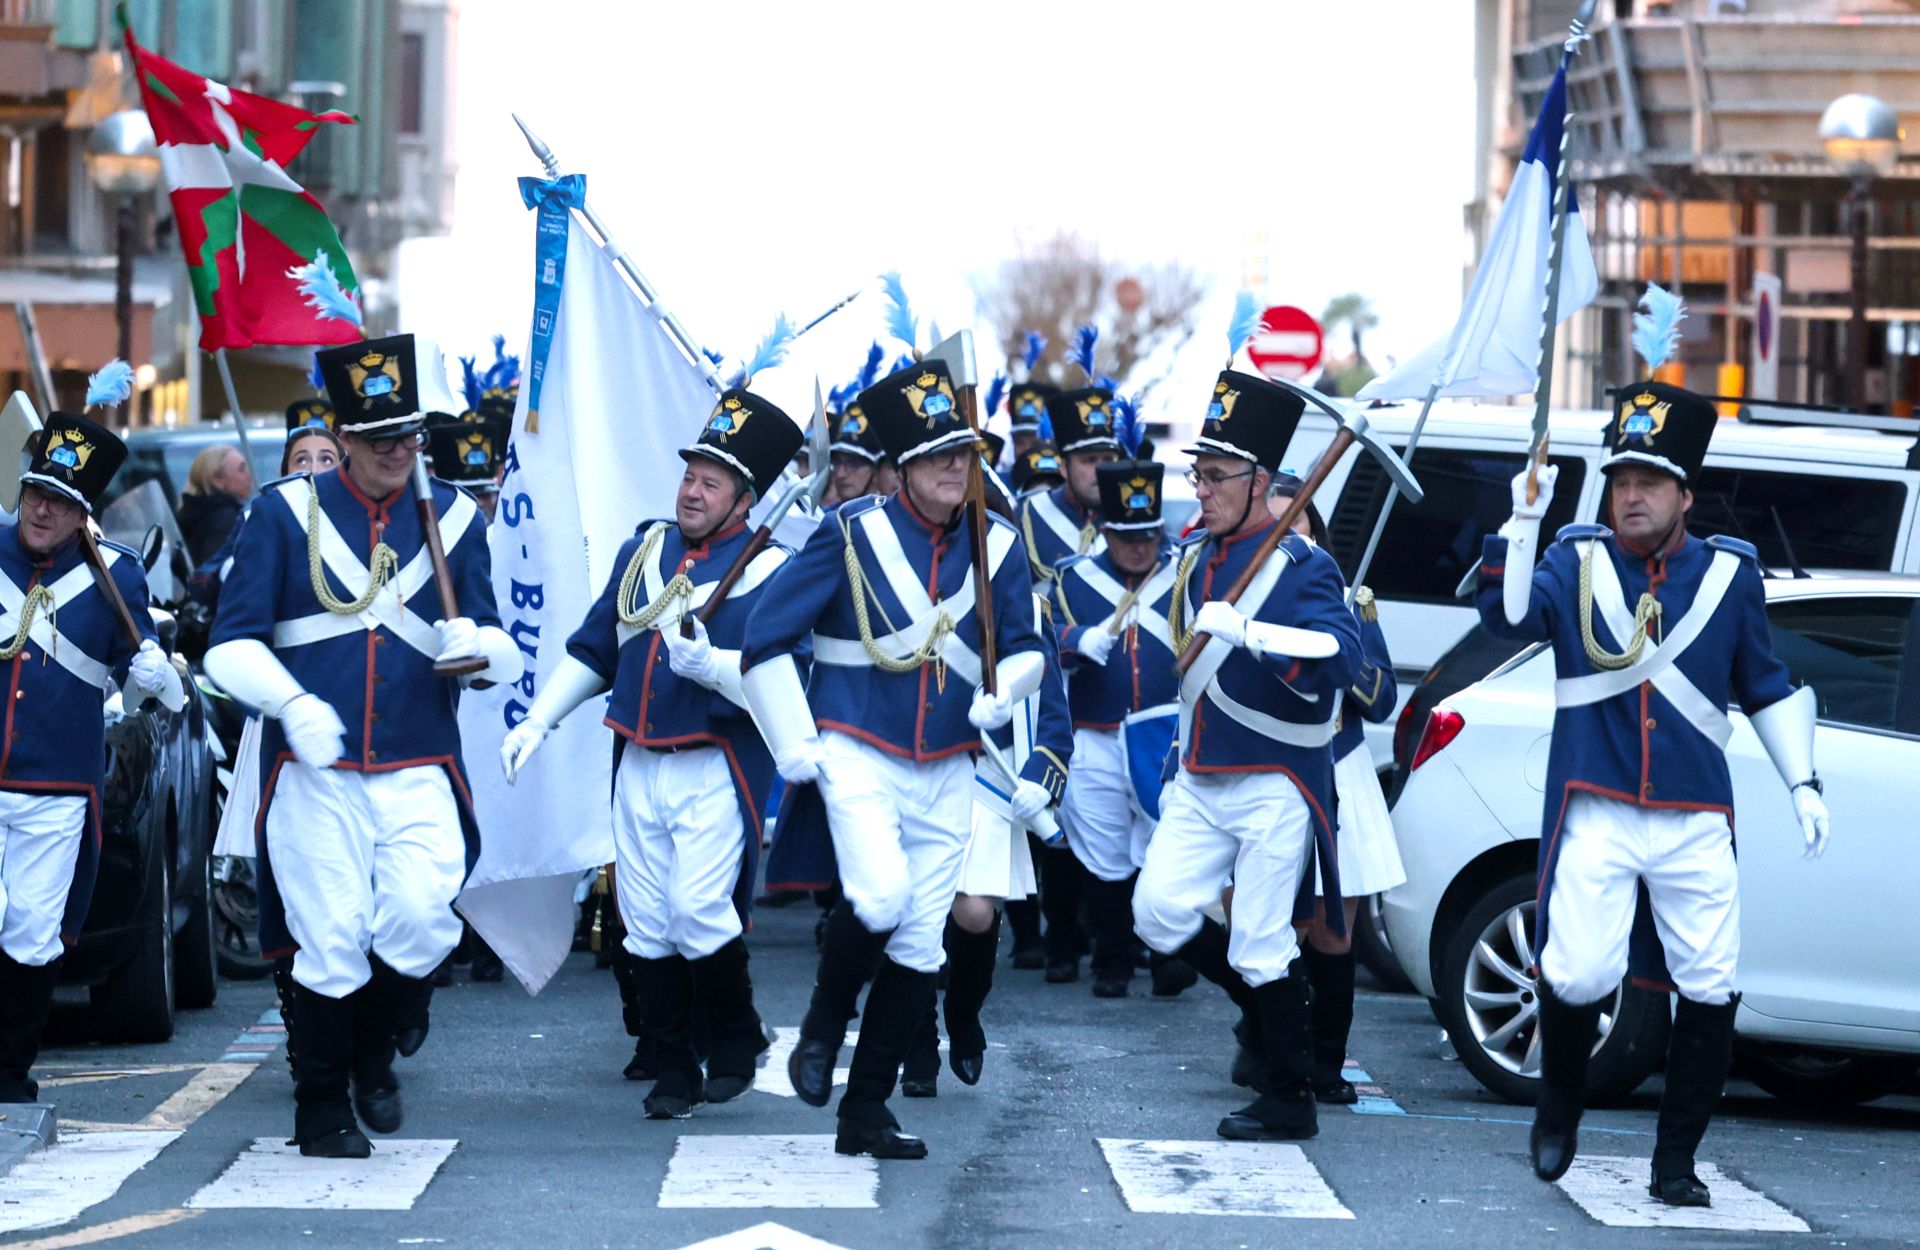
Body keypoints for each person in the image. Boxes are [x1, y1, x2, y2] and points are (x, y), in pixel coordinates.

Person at [1479, 369, 1829, 1206]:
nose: (1631, 496)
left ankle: (1676, 1161)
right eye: (1621, 481)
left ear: (1684, 494)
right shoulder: (1574, 562)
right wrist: (1524, 521)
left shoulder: (1729, 577)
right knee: (1574, 971)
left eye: (1649, 483)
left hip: (1693, 813)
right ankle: (1558, 1105)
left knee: (1710, 984)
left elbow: (1767, 685)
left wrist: (1803, 781)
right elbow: (1509, 615)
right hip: (1597, 802)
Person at [206, 333, 522, 1159]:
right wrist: (291, 702)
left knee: (421, 920)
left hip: (418, 758)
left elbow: (497, 649)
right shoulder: (283, 514)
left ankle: (375, 1052)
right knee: (331, 935)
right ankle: (322, 1107)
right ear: (343, 437)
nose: (398, 453)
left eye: (408, 437)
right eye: (380, 440)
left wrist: (482, 645)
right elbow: (228, 643)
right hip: (316, 771)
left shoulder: (452, 516)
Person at [742, 356, 1044, 1160]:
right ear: (904, 465)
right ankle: (817, 1032)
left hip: (948, 762)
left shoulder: (999, 546)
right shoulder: (850, 532)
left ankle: (865, 1111)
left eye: (967, 453)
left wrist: (1006, 692)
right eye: (941, 453)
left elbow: (1028, 646)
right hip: (858, 749)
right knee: (877, 898)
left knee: (919, 943)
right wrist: (793, 739)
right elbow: (765, 638)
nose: (957, 466)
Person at [500, 381, 802, 1120]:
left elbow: (784, 687)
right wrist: (540, 719)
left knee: (700, 910)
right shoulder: (647, 551)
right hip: (637, 757)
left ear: (745, 498)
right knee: (643, 923)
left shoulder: (770, 570)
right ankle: (672, 1068)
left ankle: (734, 1037)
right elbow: (598, 645)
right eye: (690, 476)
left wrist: (719, 669)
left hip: (712, 764)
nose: (693, 492)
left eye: (711, 482)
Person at [1131, 364, 1360, 1144]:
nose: (1202, 487)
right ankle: (1267, 1010)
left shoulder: (1305, 564)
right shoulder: (1197, 559)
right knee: (1157, 913)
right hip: (1202, 775)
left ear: (1260, 480)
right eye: (1198, 472)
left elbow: (1341, 654)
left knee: (1263, 938)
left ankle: (1289, 1094)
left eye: (1216, 474)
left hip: (1275, 778)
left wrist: (1251, 634)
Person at [0, 411, 178, 1104]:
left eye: (63, 501)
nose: (44, 509)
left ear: (84, 514)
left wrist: (157, 675)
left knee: (33, 931)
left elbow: (140, 685)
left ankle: (10, 1072)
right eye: (38, 491)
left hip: (56, 781)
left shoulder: (117, 578)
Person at [1262, 475, 1402, 1104]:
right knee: (1273, 928)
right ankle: (1269, 1048)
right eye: (1274, 526)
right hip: (1274, 773)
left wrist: (1346, 658)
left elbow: (1381, 701)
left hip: (1339, 767)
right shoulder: (1246, 602)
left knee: (1333, 933)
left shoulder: (1352, 600)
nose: (1287, 536)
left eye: (1297, 524)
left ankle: (1326, 1063)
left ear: (1314, 530)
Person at [902, 589, 1071, 1097]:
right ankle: (917, 1042)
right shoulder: (897, 591)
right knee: (915, 916)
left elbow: (1053, 706)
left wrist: (1043, 775)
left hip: (988, 777)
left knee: (973, 913)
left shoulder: (1026, 607)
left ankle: (963, 1011)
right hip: (912, 770)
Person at [1052, 458, 1193, 999]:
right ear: (1105, 530)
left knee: (1165, 847)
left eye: (1148, 536)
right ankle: (1111, 960)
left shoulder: (1182, 571)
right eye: (1127, 537)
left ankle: (1166, 956)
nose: (1140, 548)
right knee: (1105, 854)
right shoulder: (1072, 578)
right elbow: (1038, 635)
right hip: (1095, 734)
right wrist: (1074, 639)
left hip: (1162, 733)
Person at [178, 442, 255, 564]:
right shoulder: (226, 519)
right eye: (241, 469)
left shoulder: (190, 514)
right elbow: (216, 570)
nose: (249, 475)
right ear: (218, 480)